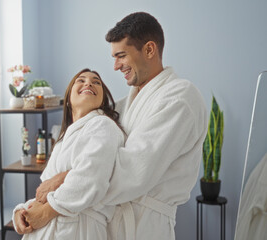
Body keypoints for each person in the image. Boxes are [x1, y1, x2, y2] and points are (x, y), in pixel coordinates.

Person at [33, 12, 208, 239]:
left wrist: (60, 184)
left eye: (121, 56)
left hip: (144, 227)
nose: (115, 66)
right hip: (106, 223)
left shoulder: (180, 98)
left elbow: (132, 172)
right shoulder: (127, 103)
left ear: (149, 50)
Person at [12, 68, 126, 239]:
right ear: (67, 100)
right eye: (81, 80)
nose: (89, 83)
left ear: (102, 100)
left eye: (96, 82)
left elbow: (90, 179)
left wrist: (44, 213)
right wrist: (21, 212)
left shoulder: (104, 125)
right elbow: (44, 191)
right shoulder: (63, 140)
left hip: (77, 229)